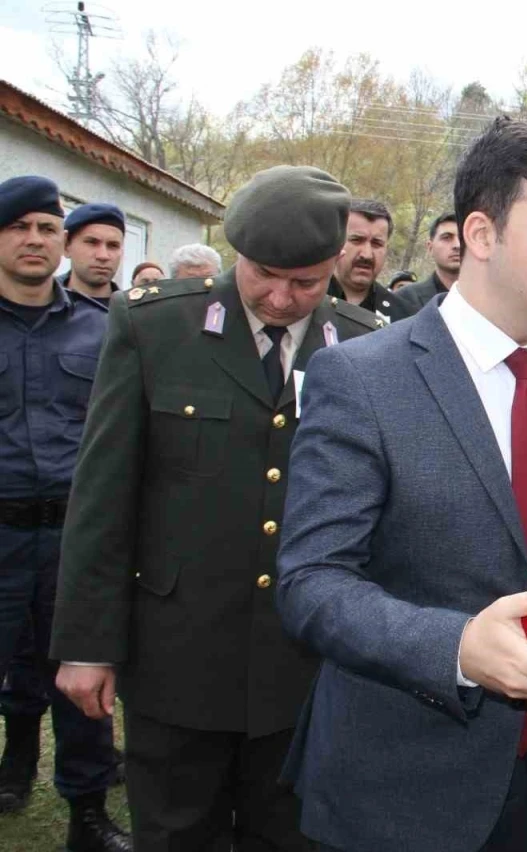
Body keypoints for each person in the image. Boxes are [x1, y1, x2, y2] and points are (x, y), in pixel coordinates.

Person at [272, 118, 527, 852]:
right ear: (481, 235)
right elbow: (312, 582)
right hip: (398, 787)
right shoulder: (363, 377)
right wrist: (457, 646)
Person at [52, 165, 382, 852]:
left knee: (291, 834)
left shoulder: (364, 343)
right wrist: (87, 644)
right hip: (178, 650)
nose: (282, 298)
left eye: (307, 282)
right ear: (235, 252)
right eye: (264, 274)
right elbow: (104, 494)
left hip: (303, 660)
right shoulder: (156, 325)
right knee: (177, 833)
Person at [0, 176, 131, 852]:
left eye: (47, 228)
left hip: (74, 541)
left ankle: (88, 812)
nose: (34, 240)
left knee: (84, 682)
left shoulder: (103, 330)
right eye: (18, 227)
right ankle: (15, 763)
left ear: (62, 240)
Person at [327, 198, 412, 324]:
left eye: (377, 244)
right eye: (356, 240)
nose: (367, 255)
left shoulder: (404, 317)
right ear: (336, 242)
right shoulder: (308, 300)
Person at [57, 203, 125, 307]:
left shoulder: (133, 313)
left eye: (113, 245)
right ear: (66, 246)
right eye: (92, 242)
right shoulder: (38, 303)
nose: (103, 256)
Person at [397, 212, 460, 313]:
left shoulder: (484, 298)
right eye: (447, 237)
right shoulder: (405, 299)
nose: (457, 245)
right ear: (430, 247)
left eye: (462, 238)